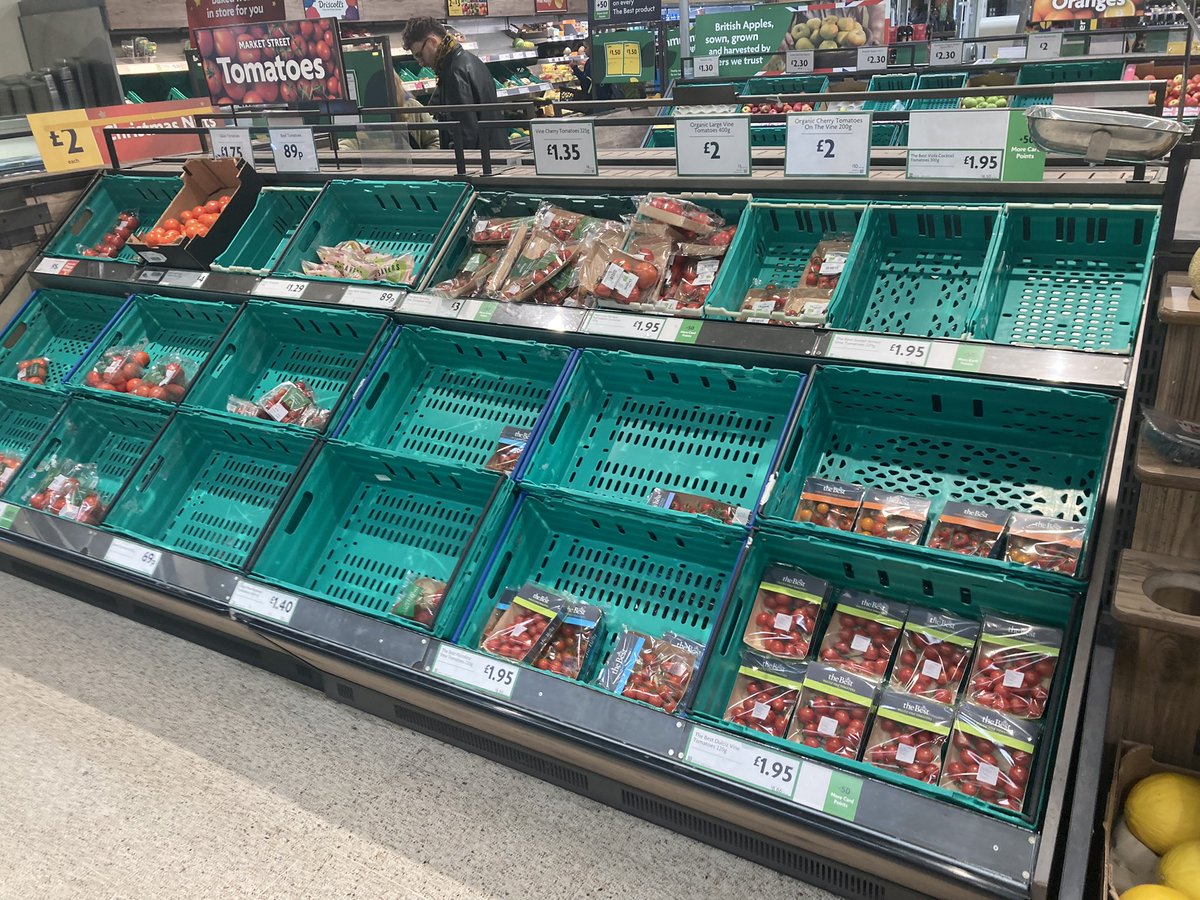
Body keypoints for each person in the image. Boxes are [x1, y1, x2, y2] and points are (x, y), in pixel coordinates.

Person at [401, 16, 511, 152]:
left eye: (419, 55)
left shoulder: (455, 72)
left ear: (432, 42)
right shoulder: (470, 60)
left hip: (482, 163)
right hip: (495, 154)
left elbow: (464, 134)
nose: (421, 62)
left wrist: (455, 165)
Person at [339, 73, 440, 153]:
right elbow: (346, 145)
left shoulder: (413, 108)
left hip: (414, 173)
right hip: (379, 174)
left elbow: (434, 140)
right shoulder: (364, 117)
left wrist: (423, 163)